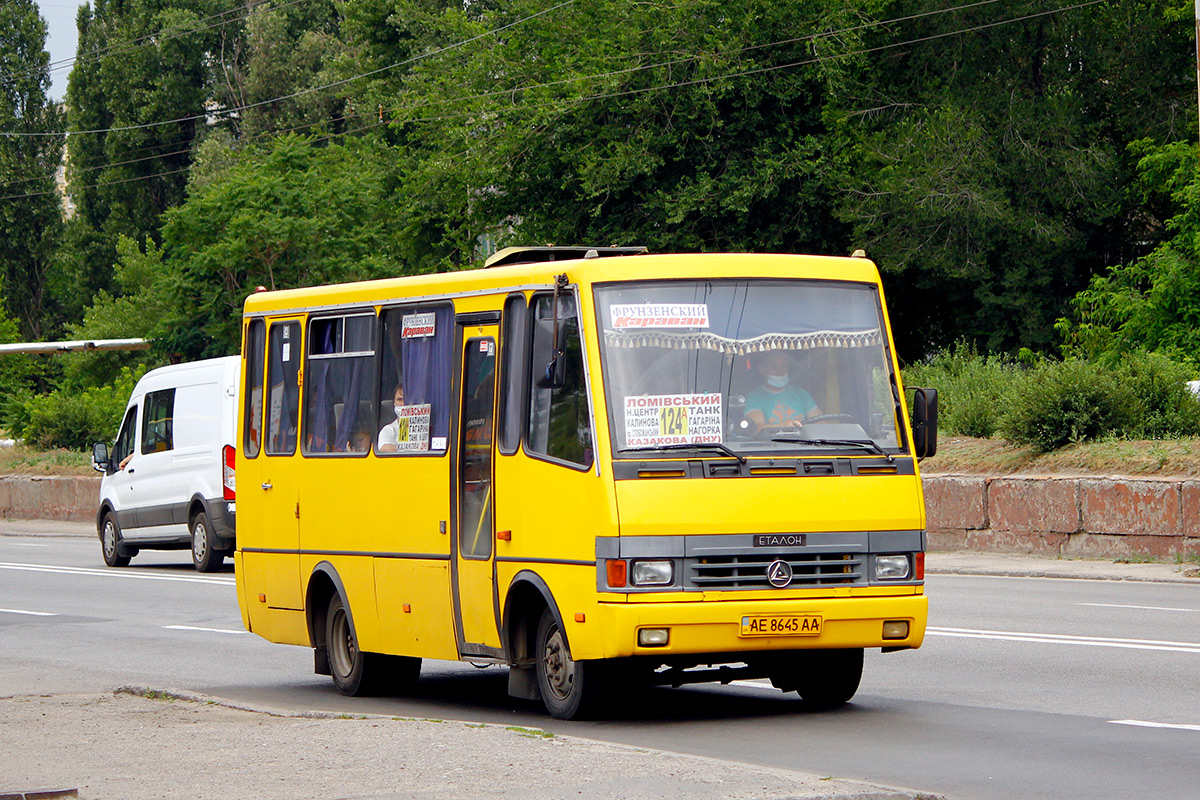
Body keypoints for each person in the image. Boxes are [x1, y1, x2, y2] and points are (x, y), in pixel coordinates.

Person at [742, 351, 822, 435]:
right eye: (774, 367)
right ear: (762, 370)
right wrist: (785, 427)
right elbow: (757, 428)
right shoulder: (753, 397)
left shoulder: (800, 393)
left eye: (783, 366)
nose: (780, 371)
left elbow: (821, 421)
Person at [377, 384, 405, 452]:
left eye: (406, 399)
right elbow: (385, 449)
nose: (403, 403)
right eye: (399, 399)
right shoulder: (389, 430)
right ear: (394, 403)